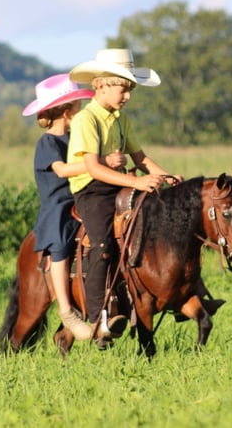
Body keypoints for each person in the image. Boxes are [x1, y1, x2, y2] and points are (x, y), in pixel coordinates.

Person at [66, 48, 183, 343]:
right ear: (100, 85)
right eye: (122, 87)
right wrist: (141, 184)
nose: (127, 95)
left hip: (118, 185)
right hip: (92, 191)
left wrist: (165, 175)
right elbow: (93, 169)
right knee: (103, 245)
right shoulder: (86, 120)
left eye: (130, 88)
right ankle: (97, 317)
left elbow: (141, 158)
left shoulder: (120, 120)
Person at [23, 73, 126, 341]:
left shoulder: (75, 137)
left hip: (83, 196)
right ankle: (67, 311)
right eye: (77, 103)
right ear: (67, 111)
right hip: (58, 203)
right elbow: (63, 170)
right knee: (60, 245)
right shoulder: (48, 142)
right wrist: (100, 162)